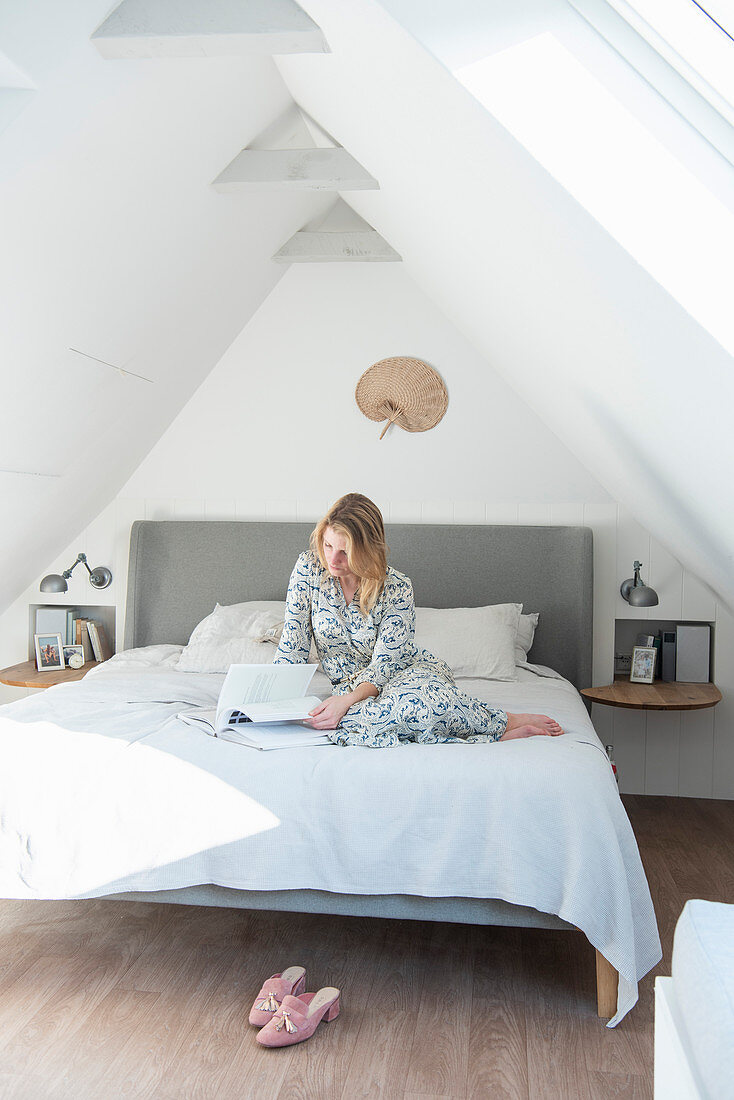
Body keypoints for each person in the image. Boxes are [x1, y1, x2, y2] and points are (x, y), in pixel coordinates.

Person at [272, 493, 564, 748]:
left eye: (345, 551)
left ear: (367, 549)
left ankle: (503, 721)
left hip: (404, 674)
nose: (333, 559)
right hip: (347, 687)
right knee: (350, 721)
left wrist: (346, 702)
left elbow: (385, 665)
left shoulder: (398, 587)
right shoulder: (308, 568)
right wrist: (267, 701)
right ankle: (489, 733)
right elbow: (292, 647)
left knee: (417, 705)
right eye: (327, 546)